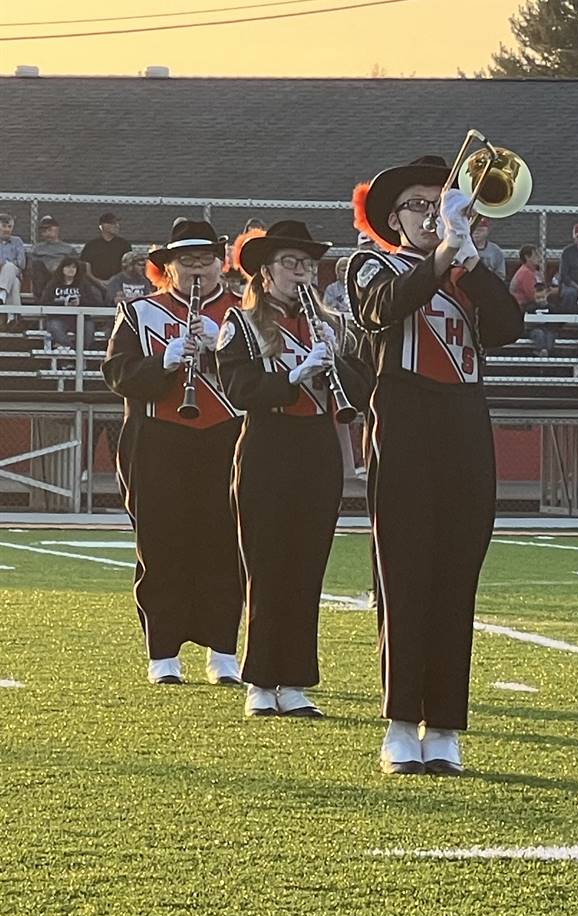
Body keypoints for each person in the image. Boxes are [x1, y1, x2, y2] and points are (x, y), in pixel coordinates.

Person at [349, 153, 525, 777]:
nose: (433, 215)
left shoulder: (472, 269)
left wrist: (468, 259)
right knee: (403, 575)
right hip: (403, 417)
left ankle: (445, 723)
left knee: (457, 576)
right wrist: (446, 252)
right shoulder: (372, 262)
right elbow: (383, 308)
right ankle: (400, 721)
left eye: (442, 204)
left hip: (465, 421)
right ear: (394, 218)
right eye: (420, 206)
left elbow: (507, 326)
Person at [215, 222, 372, 720]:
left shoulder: (332, 324)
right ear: (265, 271)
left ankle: (297, 679)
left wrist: (335, 360)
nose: (302, 271)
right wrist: (292, 377)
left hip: (316, 449)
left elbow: (364, 388)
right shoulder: (239, 325)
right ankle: (260, 680)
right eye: (291, 262)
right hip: (267, 445)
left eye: (307, 263)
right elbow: (238, 390)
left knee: (306, 568)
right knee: (266, 566)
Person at [101, 218, 244, 687]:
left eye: (206, 259)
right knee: (160, 545)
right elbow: (117, 373)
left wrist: (219, 347)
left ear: (220, 264)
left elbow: (265, 374)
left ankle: (223, 649)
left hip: (227, 436)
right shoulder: (139, 312)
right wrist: (163, 362)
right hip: (159, 438)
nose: (198, 269)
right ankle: (162, 653)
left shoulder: (243, 310)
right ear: (169, 268)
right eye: (187, 261)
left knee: (226, 544)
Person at [39, 256, 106, 351]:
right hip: (59, 318)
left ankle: (81, 354)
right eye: (68, 267)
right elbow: (44, 302)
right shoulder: (53, 284)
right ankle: (73, 352)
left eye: (74, 267)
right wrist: (63, 304)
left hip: (81, 319)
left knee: (89, 328)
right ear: (62, 269)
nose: (71, 270)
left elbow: (94, 302)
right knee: (54, 326)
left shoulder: (84, 284)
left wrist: (80, 302)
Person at [26, 216, 79, 299]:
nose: (47, 234)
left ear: (57, 230)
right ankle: (42, 298)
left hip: (61, 274)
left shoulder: (68, 249)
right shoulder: (37, 249)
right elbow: (30, 268)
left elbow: (76, 265)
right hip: (44, 276)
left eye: (49, 230)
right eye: (44, 231)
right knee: (37, 265)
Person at [81, 213, 128, 284]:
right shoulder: (91, 245)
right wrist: (99, 282)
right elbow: (86, 270)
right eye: (113, 223)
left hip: (119, 284)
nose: (117, 226)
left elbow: (127, 267)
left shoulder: (124, 244)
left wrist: (114, 281)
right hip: (94, 284)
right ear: (103, 225)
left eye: (117, 223)